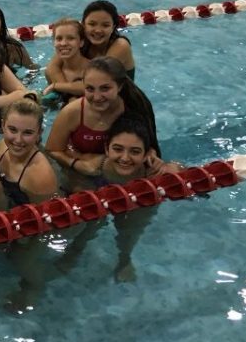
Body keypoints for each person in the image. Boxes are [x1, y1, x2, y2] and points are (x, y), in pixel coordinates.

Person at [56, 115, 181, 282]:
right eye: (118, 149)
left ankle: (124, 259)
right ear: (107, 148)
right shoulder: (93, 165)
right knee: (90, 222)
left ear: (147, 154)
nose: (125, 158)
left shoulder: (152, 172)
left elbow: (180, 171)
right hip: (99, 188)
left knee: (131, 230)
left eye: (135, 151)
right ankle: (75, 251)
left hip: (137, 198)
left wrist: (172, 167)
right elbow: (64, 172)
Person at [45, 56, 159, 193]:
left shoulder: (134, 107)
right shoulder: (72, 113)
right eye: (90, 89)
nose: (97, 97)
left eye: (105, 88)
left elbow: (147, 143)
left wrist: (151, 152)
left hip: (119, 168)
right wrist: (77, 164)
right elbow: (52, 151)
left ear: (120, 86)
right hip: (79, 172)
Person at [0, 99, 59, 207]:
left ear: (39, 133)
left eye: (27, 133)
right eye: (12, 130)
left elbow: (48, 218)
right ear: (3, 126)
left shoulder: (40, 177)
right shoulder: (2, 147)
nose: (18, 140)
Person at [81, 0, 135, 79]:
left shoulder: (121, 45)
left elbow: (95, 81)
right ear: (83, 25)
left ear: (113, 28)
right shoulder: (79, 41)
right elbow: (56, 65)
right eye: (92, 24)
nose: (98, 30)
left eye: (105, 25)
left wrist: (56, 85)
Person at [43, 18, 89, 104]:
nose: (63, 43)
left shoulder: (93, 69)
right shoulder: (50, 73)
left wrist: (55, 86)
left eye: (71, 38)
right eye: (59, 39)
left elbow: (90, 87)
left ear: (81, 42)